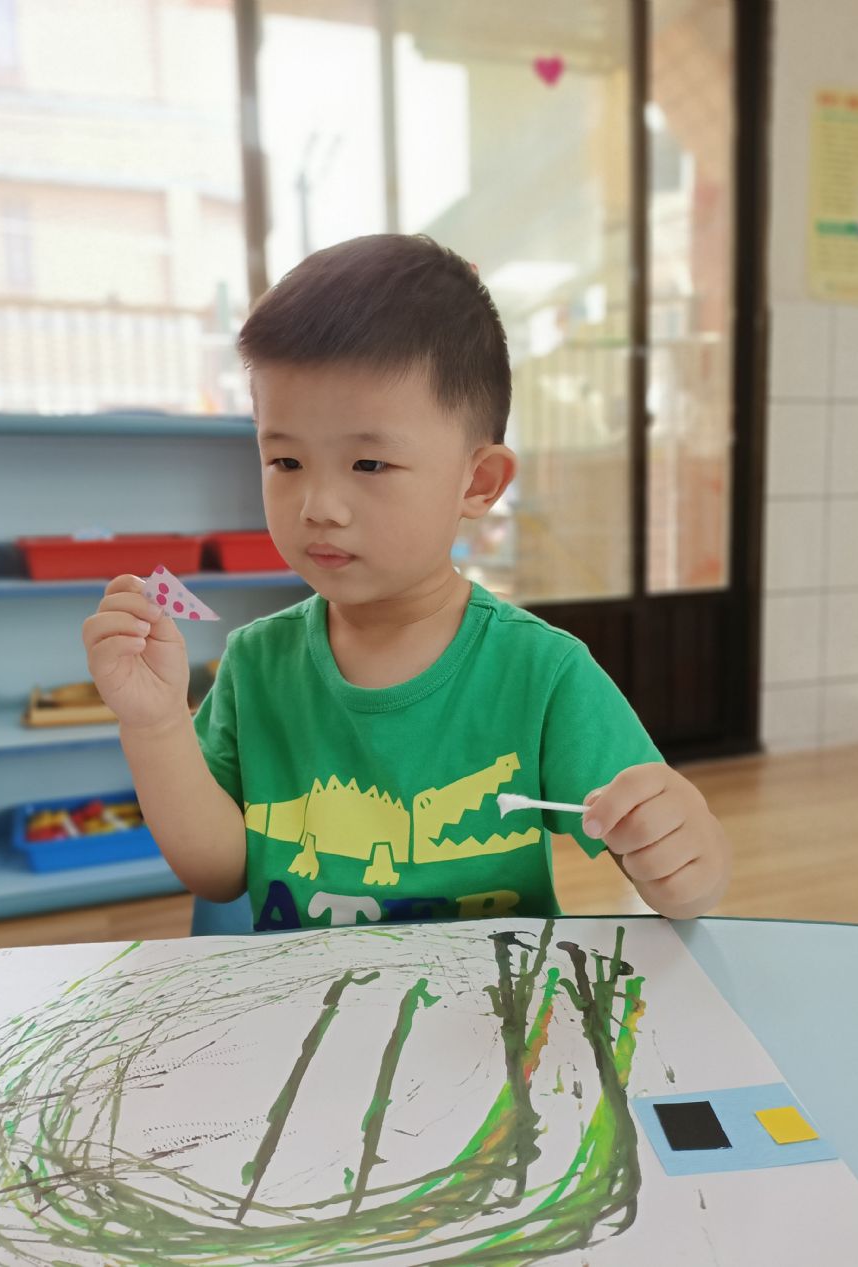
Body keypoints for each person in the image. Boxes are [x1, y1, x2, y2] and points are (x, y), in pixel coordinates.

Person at [83, 234, 730, 933]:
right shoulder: (255, 664)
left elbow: (677, 878)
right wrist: (155, 723)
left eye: (368, 464)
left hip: (493, 998)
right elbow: (218, 873)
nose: (318, 506)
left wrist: (686, 857)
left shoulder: (542, 673)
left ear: (477, 482)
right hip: (304, 996)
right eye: (286, 462)